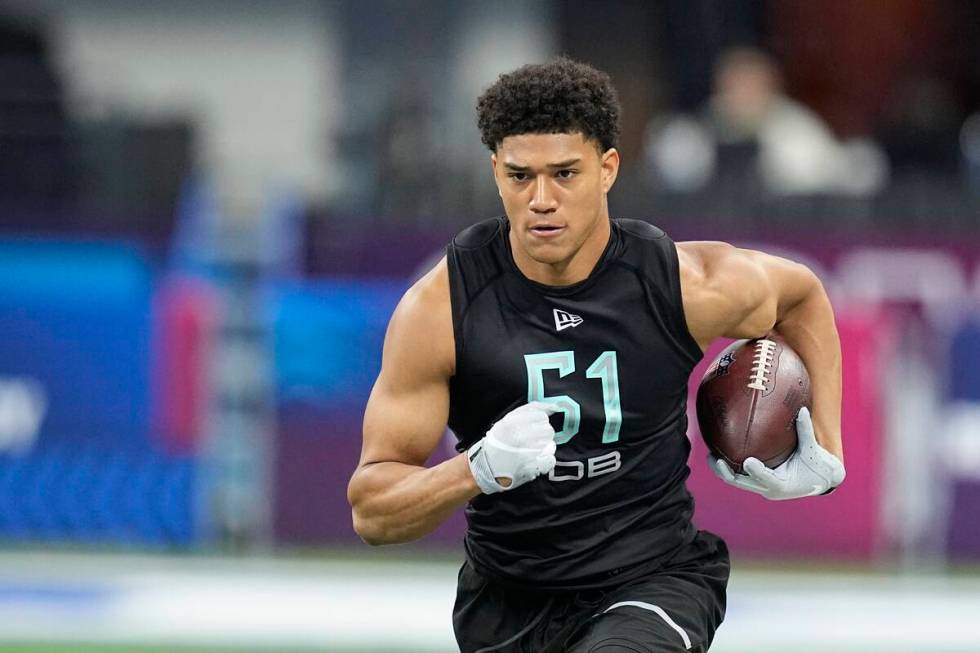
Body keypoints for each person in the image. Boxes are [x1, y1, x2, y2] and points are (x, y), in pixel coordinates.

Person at [347, 58, 845, 653]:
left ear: (607, 168)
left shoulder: (680, 284)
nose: (541, 200)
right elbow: (373, 513)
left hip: (654, 579)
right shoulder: (441, 308)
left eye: (564, 173)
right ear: (495, 173)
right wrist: (475, 470)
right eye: (520, 176)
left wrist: (827, 449)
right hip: (506, 601)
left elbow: (802, 294)